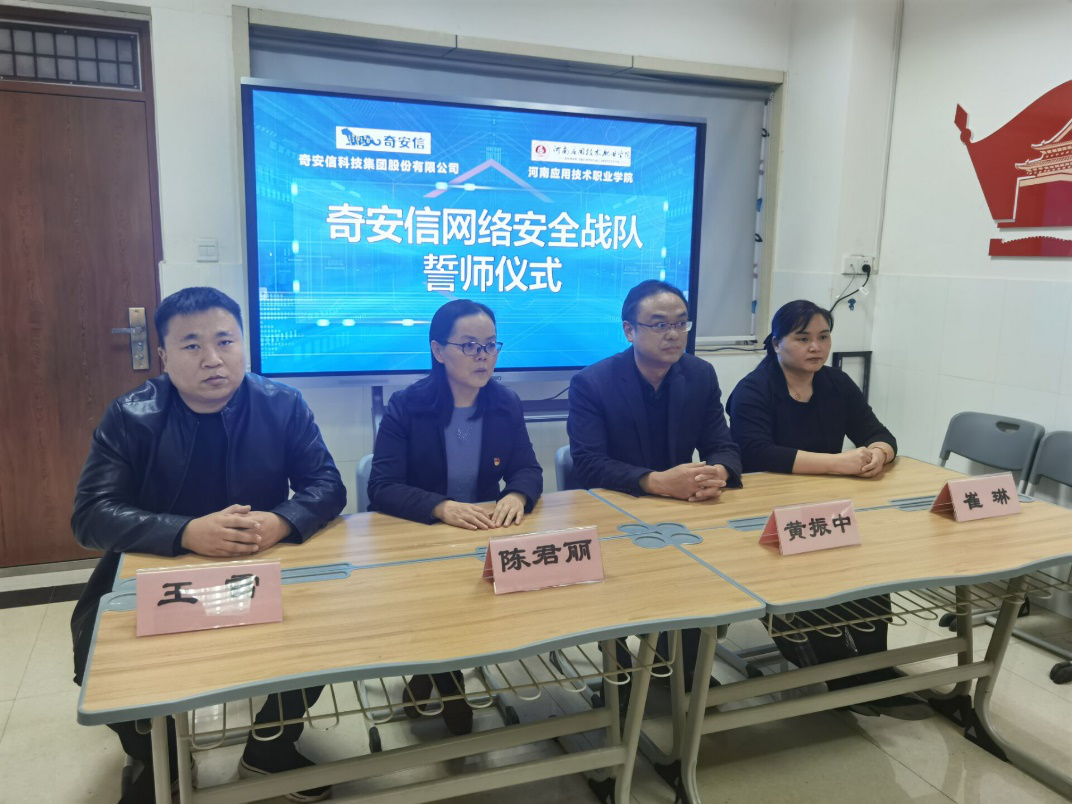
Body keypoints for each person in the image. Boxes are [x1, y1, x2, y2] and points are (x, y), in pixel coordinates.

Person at [70, 287, 347, 802]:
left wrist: (282, 520)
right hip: (158, 574)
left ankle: (270, 748)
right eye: (192, 345)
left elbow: (327, 486)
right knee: (96, 655)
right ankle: (158, 756)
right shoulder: (131, 415)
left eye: (225, 341)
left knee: (325, 633)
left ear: (244, 343)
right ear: (163, 356)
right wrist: (184, 531)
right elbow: (90, 516)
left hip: (260, 563)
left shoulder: (282, 404)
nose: (213, 359)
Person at [727, 299, 930, 719]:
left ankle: (874, 668)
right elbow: (758, 452)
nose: (815, 347)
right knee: (808, 586)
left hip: (828, 510)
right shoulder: (752, 390)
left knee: (865, 572)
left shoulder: (836, 383)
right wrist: (838, 463)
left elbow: (878, 432)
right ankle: (836, 675)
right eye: (802, 338)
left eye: (823, 337)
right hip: (768, 516)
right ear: (776, 342)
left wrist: (878, 453)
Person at [368, 298, 543, 734]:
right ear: (438, 350)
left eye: (490, 345)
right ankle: (449, 683)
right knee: (441, 607)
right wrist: (440, 506)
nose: (483, 356)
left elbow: (528, 468)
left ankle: (430, 672)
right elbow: (382, 486)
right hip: (419, 536)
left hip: (480, 534)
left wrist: (517, 494)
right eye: (469, 346)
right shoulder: (407, 406)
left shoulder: (504, 402)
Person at [567, 280, 742, 690]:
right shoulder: (593, 382)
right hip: (615, 514)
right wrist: (656, 482)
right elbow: (588, 464)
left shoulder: (700, 374)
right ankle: (620, 682)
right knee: (619, 581)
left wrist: (719, 472)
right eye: (660, 324)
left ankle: (680, 671)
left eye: (681, 323)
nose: (673, 334)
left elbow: (723, 445)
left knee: (710, 563)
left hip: (684, 511)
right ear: (629, 330)